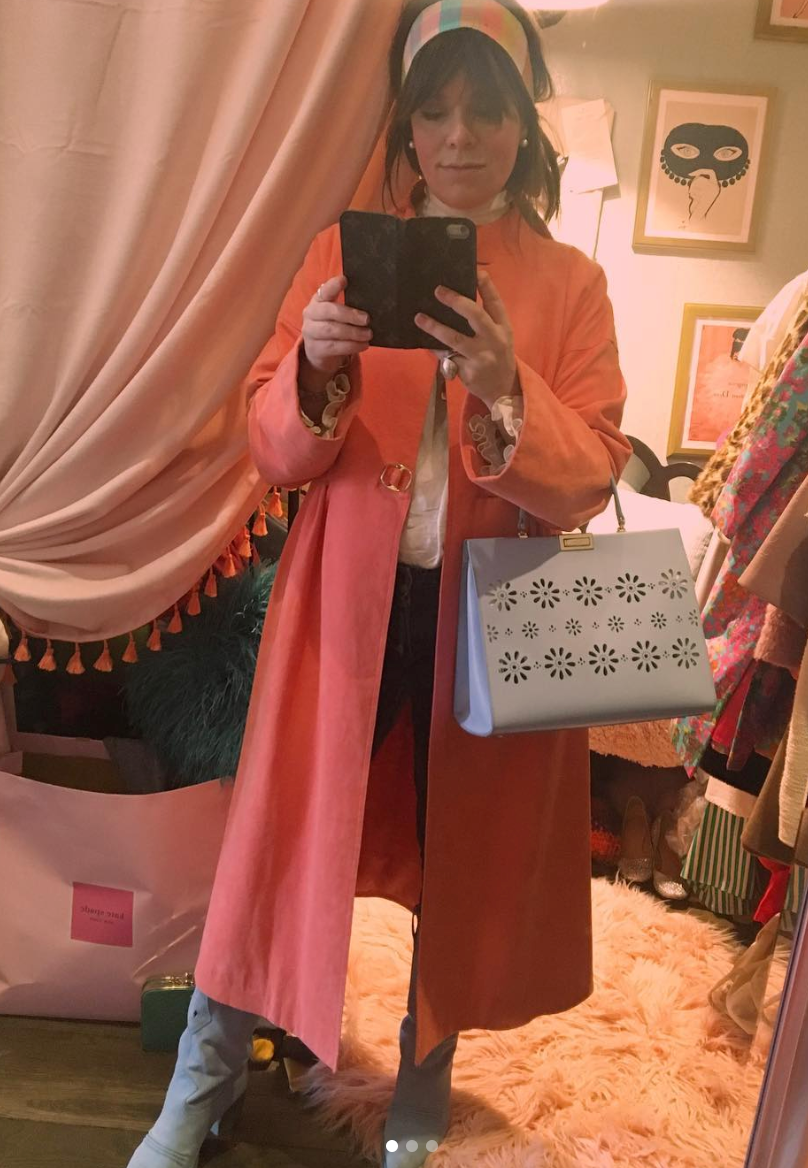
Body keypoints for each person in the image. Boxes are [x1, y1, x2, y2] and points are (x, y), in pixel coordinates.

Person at [128, 2, 631, 1166]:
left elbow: (592, 476)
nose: (459, 136)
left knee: (460, 868)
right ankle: (200, 1085)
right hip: (340, 613)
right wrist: (312, 365)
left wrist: (507, 387)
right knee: (274, 852)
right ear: (406, 129)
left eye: (485, 112)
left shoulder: (571, 286)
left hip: (487, 622)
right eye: (435, 111)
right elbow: (273, 449)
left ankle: (421, 1085)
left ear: (523, 125)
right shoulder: (339, 255)